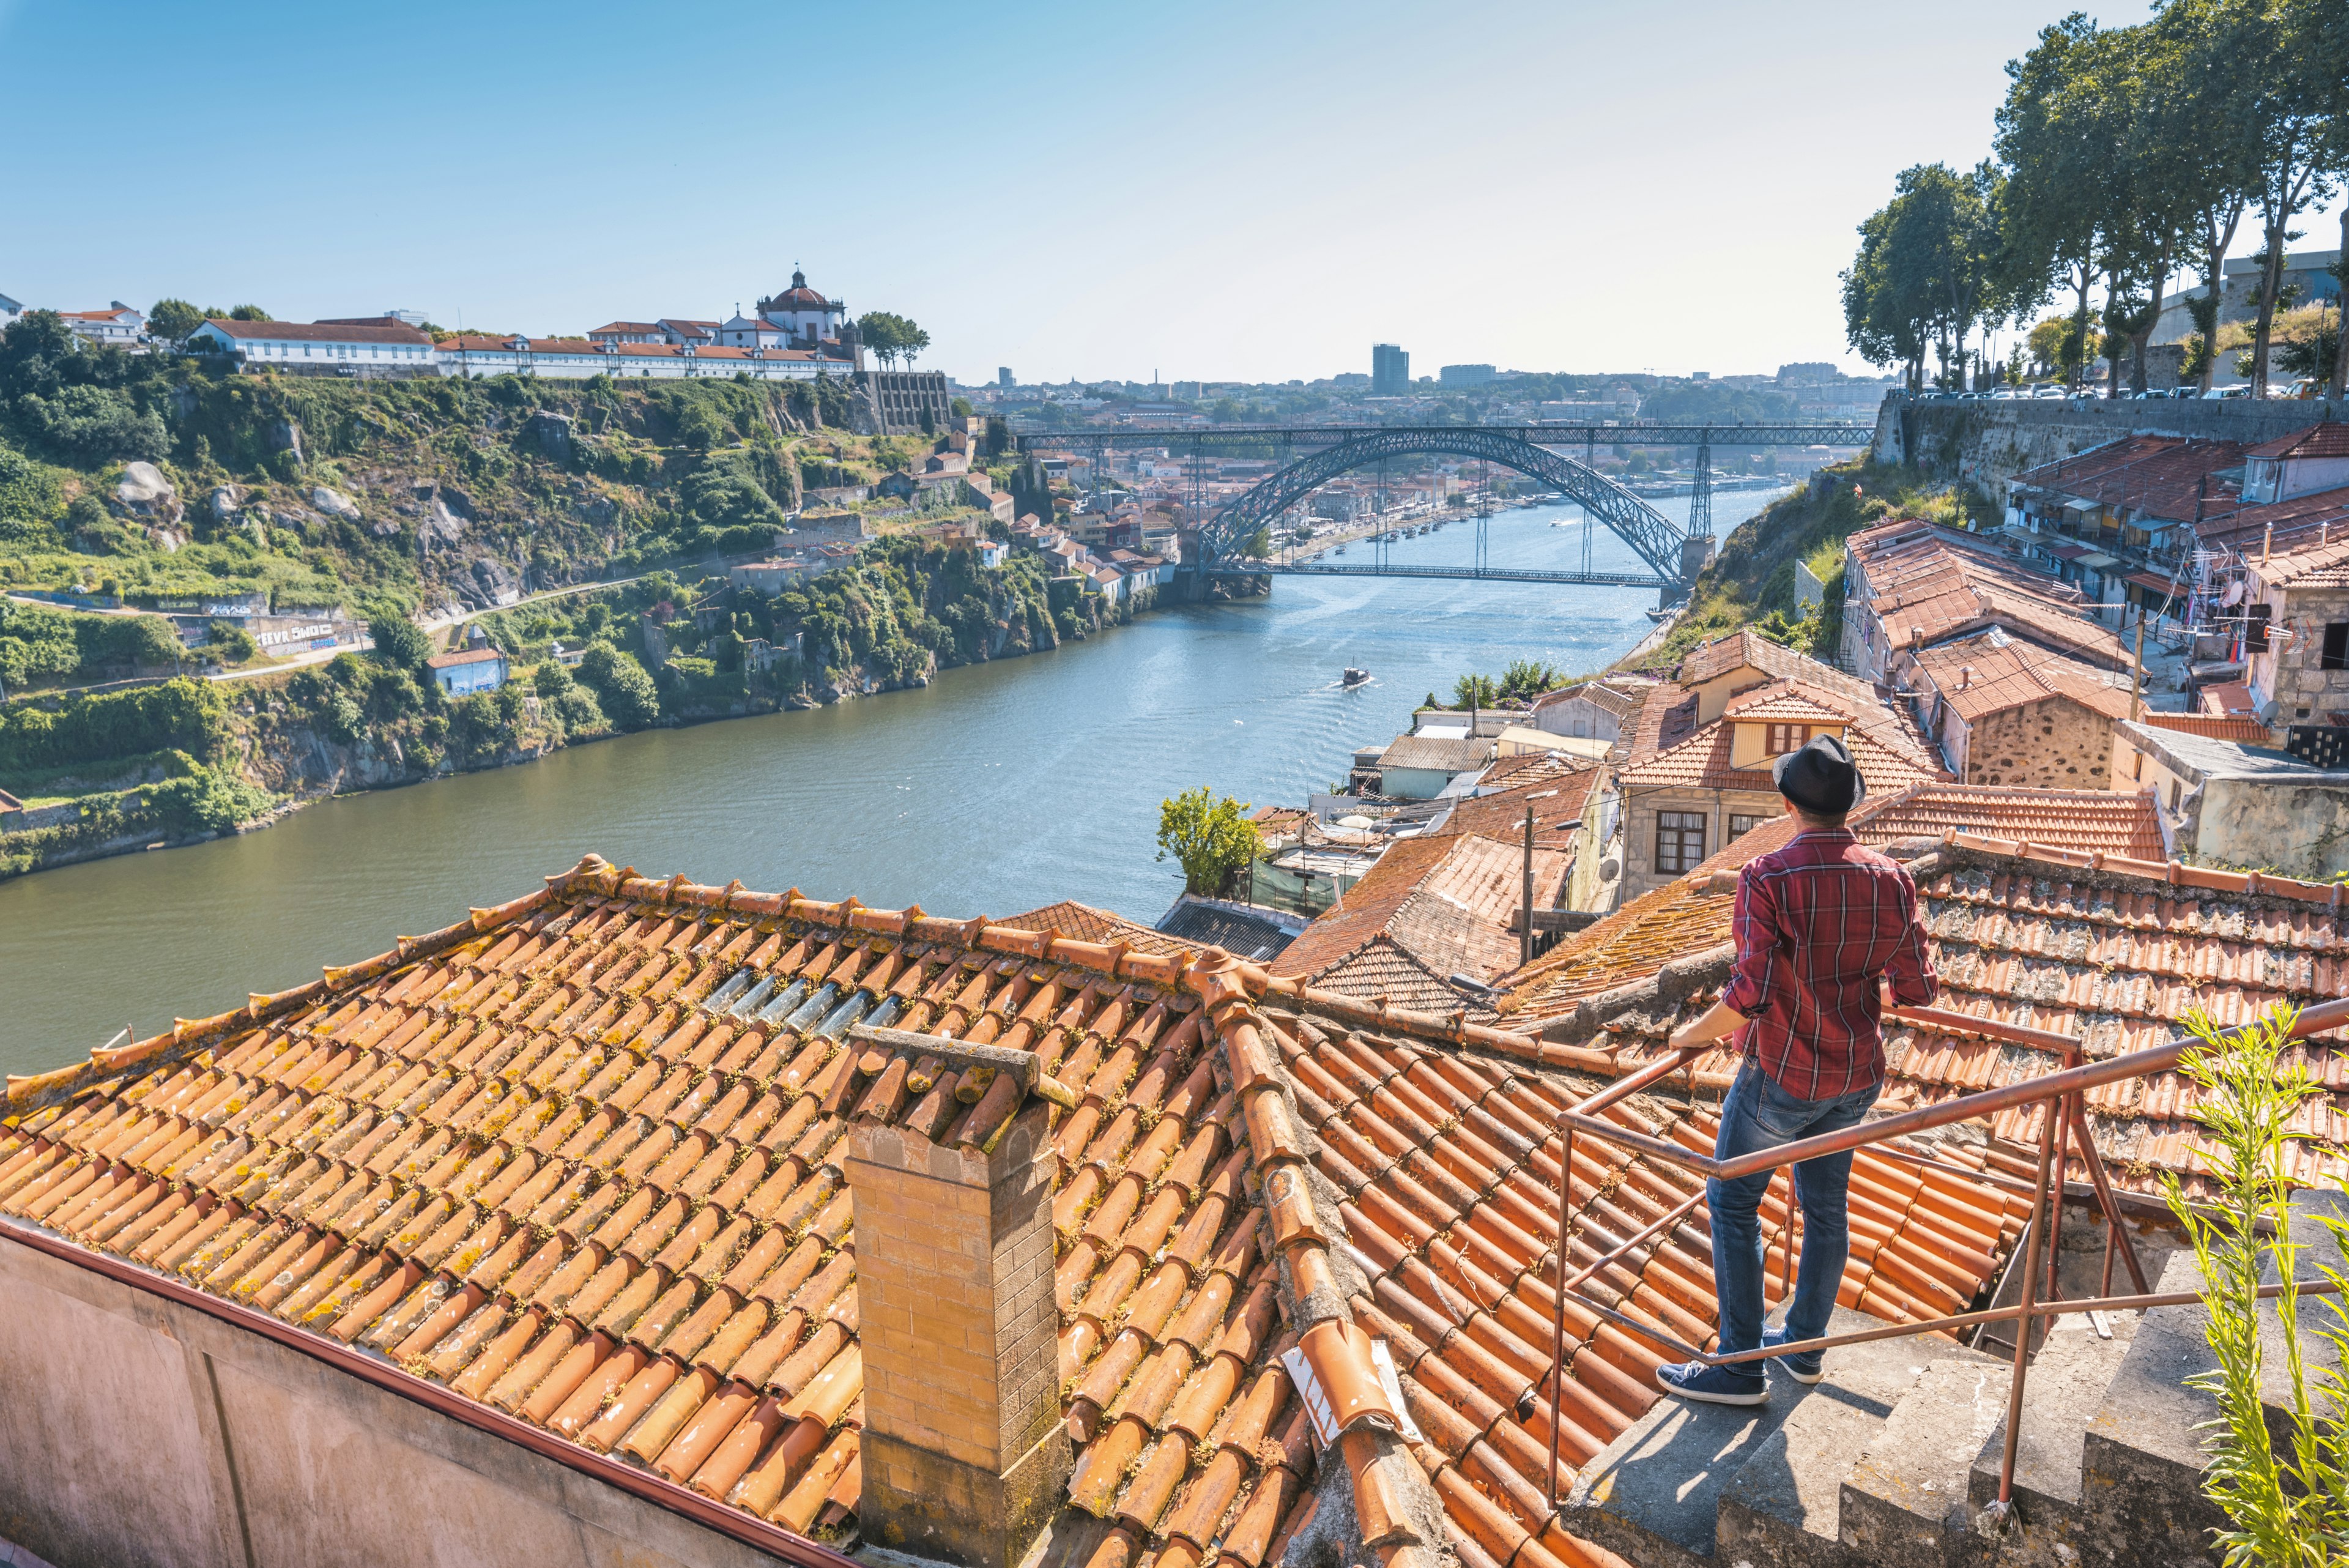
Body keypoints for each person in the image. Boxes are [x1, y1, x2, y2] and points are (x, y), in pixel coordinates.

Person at [1653, 734, 1937, 1406]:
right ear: (1852, 804)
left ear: (1786, 803)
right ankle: (1804, 1348)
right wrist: (1848, 985)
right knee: (1826, 1209)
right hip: (1856, 1074)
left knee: (1732, 1201)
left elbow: (1748, 992)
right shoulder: (1892, 878)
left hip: (1784, 1075)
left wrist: (1689, 1036)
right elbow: (1916, 988)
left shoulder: (1766, 878)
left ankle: (1741, 1365)